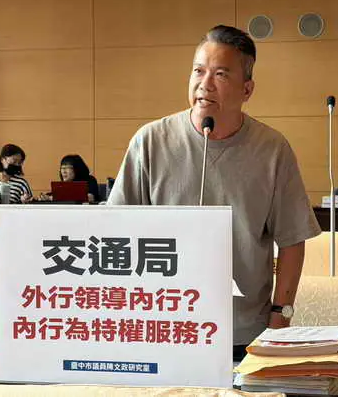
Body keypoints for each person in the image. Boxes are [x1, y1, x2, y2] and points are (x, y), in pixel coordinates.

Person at [107, 25, 321, 360]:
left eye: (220, 74)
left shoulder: (272, 150)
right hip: (162, 327)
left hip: (243, 332)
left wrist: (281, 316)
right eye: (198, 71)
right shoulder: (150, 142)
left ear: (247, 89)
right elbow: (115, 230)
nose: (204, 84)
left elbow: (293, 239)